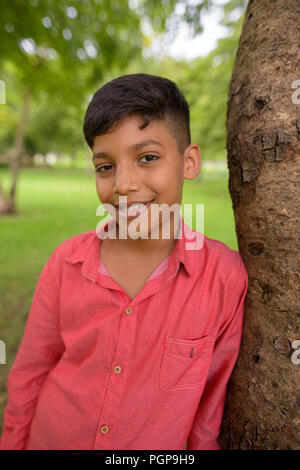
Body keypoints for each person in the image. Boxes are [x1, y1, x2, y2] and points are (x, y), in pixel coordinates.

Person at [0, 73, 248, 450]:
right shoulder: (67, 263)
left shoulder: (224, 278)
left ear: (189, 162)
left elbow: (208, 417)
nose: (123, 184)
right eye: (105, 166)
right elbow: (30, 374)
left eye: (147, 158)